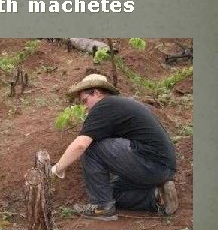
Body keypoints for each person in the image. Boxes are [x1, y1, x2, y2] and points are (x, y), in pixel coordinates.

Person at [50, 74, 178, 221]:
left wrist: (57, 169)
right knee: (109, 192)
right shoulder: (120, 105)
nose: (85, 107)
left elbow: (80, 144)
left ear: (97, 92)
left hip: (150, 163)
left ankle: (101, 208)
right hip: (162, 168)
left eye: (85, 101)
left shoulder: (104, 106)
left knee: (90, 148)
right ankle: (157, 197)